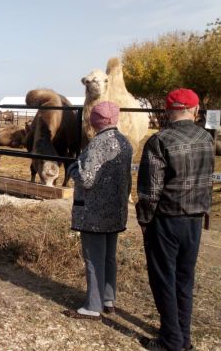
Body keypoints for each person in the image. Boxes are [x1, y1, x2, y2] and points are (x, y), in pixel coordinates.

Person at [136, 88, 214, 351]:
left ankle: (171, 340)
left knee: (163, 278)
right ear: (195, 110)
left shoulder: (159, 141)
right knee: (184, 278)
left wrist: (145, 219)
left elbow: (150, 191)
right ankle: (184, 336)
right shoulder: (207, 138)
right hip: (194, 219)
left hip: (166, 219)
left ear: (169, 111)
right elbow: (208, 180)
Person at [64, 101, 133, 320]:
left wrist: (73, 167)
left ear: (95, 121)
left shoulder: (97, 144)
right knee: (109, 256)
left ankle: (93, 307)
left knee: (94, 258)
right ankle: (108, 299)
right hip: (116, 211)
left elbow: (86, 179)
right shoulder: (125, 143)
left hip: (94, 214)